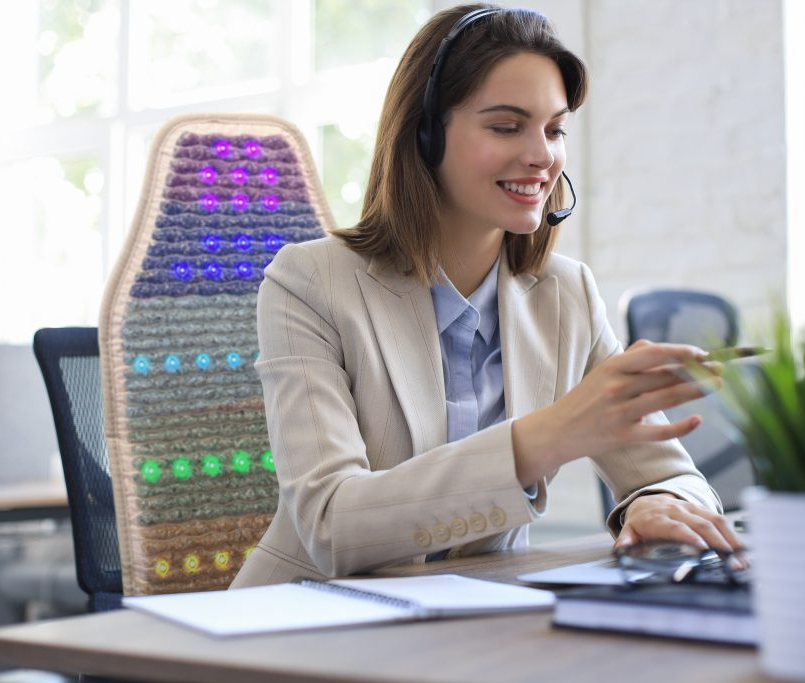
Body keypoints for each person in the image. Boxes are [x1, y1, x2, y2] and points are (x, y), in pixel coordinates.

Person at [232, 3, 741, 587]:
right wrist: (544, 439)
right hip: (298, 626)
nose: (542, 156)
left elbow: (674, 476)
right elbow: (330, 526)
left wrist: (652, 502)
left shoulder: (567, 294)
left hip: (476, 625)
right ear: (425, 135)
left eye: (554, 130)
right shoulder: (310, 282)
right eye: (506, 126)